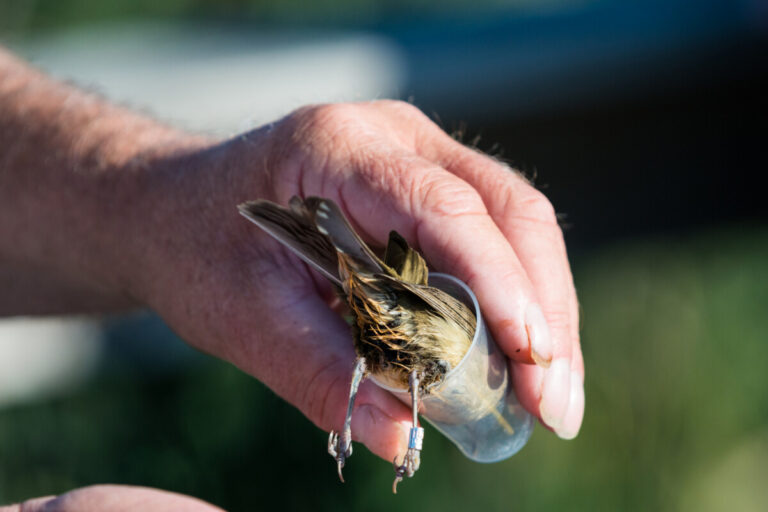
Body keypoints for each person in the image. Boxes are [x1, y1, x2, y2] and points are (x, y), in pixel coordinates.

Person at [0, 46, 583, 511]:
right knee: (387, 338)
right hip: (408, 311)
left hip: (383, 331)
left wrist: (165, 203)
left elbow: (383, 361)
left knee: (376, 349)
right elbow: (415, 333)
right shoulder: (464, 355)